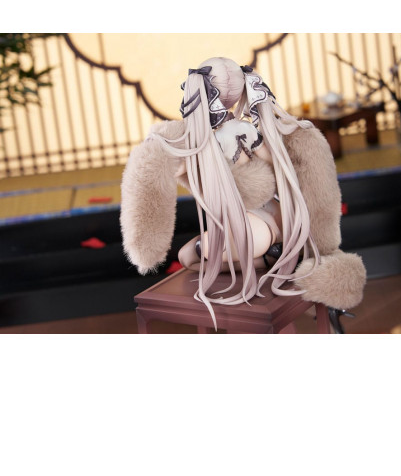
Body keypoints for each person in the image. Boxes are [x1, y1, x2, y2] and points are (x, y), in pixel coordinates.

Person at [121, 57, 365, 329]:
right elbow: (278, 166)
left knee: (188, 257)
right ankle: (272, 257)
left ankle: (269, 256)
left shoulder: (213, 138)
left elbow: (274, 168)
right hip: (276, 220)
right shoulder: (236, 132)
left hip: (254, 225)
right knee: (191, 256)